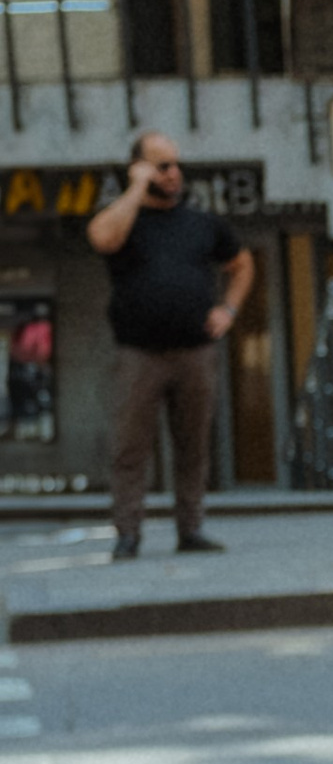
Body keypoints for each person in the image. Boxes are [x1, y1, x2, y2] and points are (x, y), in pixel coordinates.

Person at [86, 133, 250, 557]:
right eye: (162, 166)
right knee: (129, 448)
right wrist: (136, 189)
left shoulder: (202, 223)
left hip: (195, 352)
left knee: (193, 446)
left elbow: (242, 264)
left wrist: (228, 310)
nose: (174, 173)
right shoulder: (123, 220)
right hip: (139, 354)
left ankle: (190, 530)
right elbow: (102, 238)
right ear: (139, 169)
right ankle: (128, 533)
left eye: (176, 165)